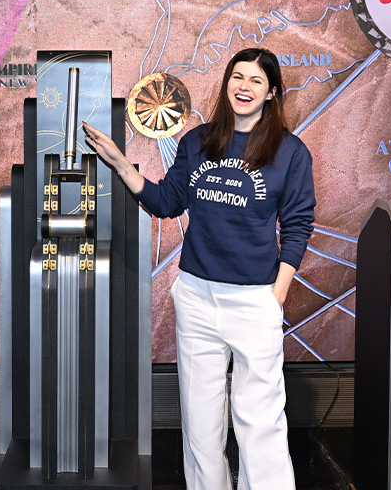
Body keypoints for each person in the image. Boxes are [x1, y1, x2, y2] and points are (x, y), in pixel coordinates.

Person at [83, 47, 314, 490]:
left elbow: (299, 225)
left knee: (259, 419)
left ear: (271, 94)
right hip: (196, 296)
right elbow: (168, 201)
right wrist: (118, 163)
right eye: (237, 77)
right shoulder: (198, 142)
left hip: (254, 300)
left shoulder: (290, 152)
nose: (244, 87)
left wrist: (277, 295)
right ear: (227, 82)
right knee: (200, 421)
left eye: (256, 82)